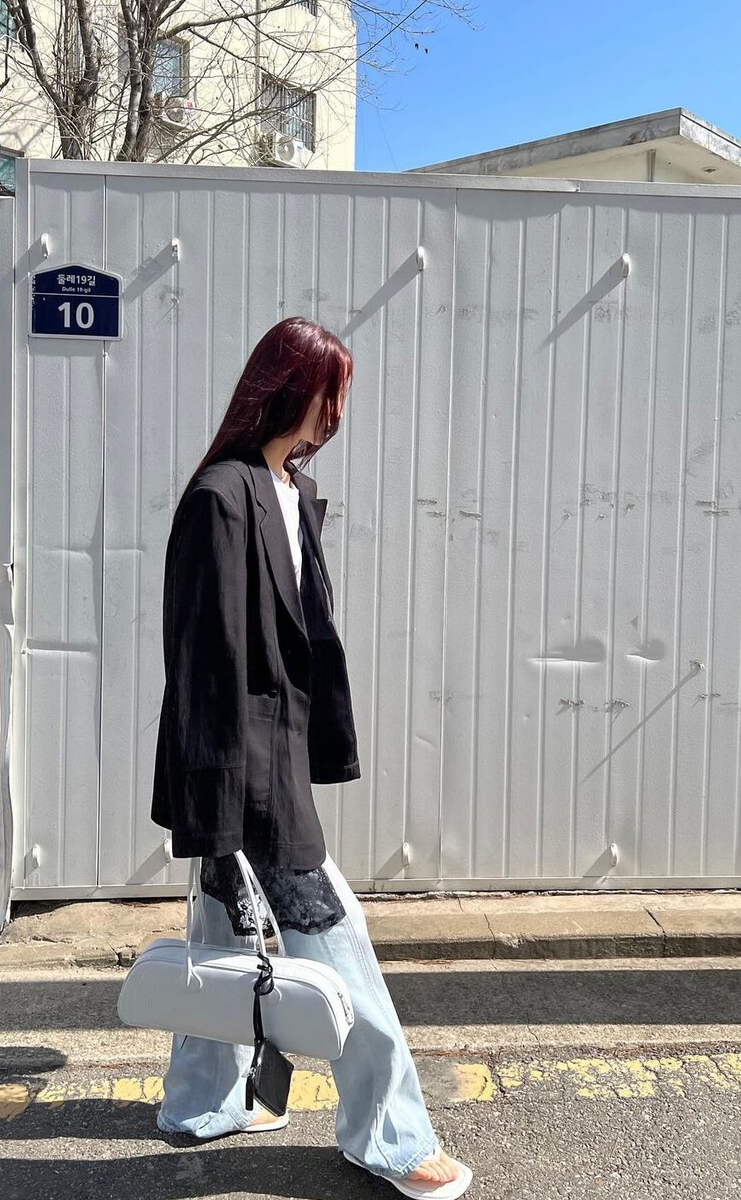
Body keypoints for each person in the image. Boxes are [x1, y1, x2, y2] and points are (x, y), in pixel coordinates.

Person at [149, 316, 473, 1198]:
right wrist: (217, 822)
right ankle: (390, 1135)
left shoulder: (288, 488)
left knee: (223, 937)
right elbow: (203, 665)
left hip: (274, 758)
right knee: (338, 942)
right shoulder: (222, 497)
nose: (337, 413)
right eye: (331, 394)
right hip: (241, 774)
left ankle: (201, 1101)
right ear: (290, 389)